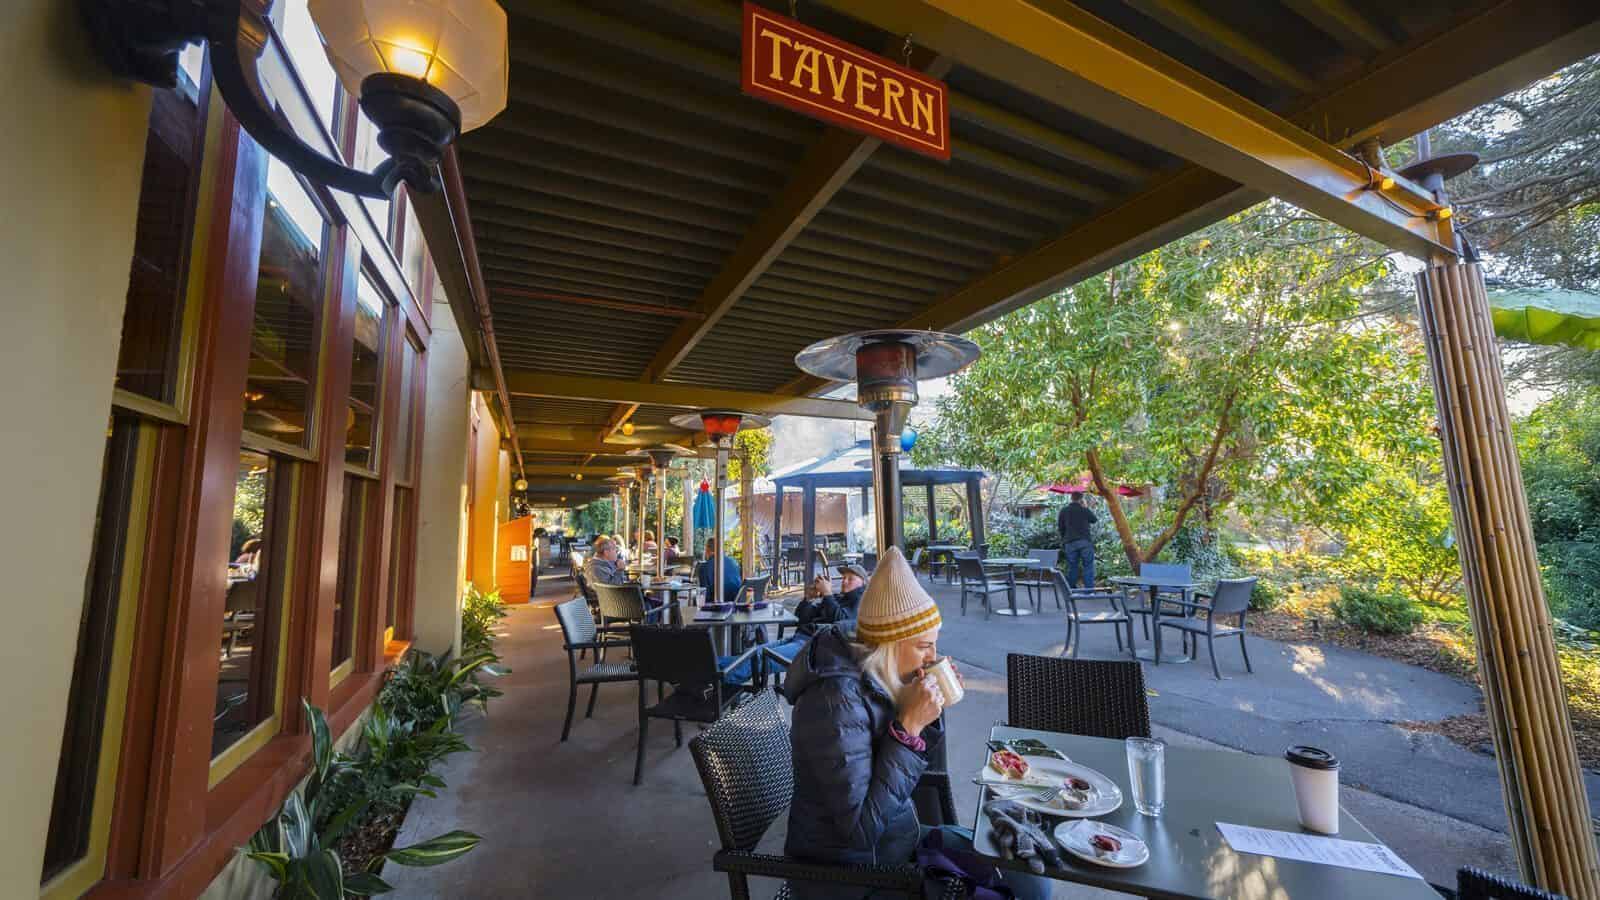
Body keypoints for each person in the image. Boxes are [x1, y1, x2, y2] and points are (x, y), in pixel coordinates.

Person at [782, 546, 1049, 900]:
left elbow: (899, 768)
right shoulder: (834, 703)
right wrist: (907, 730)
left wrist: (927, 715)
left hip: (897, 842)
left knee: (1030, 881)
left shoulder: (874, 676)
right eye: (924, 646)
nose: (933, 657)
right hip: (851, 878)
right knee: (1025, 891)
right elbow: (860, 832)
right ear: (889, 646)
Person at [1058, 490, 1098, 589]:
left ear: (1071, 498)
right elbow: (1094, 519)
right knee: (1088, 566)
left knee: (1072, 567)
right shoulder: (1084, 509)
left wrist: (1064, 539)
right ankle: (1089, 591)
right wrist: (1086, 507)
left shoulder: (1064, 510)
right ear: (1081, 499)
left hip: (1070, 542)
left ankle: (1071, 590)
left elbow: (1061, 527)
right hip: (1085, 542)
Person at [695, 536, 743, 604]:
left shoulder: (704, 568)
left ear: (707, 549)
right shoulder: (734, 562)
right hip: (736, 604)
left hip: (717, 606)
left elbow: (705, 597)